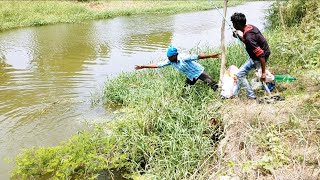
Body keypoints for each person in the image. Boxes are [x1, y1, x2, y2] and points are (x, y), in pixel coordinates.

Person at [135, 44, 220, 91]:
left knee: (213, 84)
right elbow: (158, 65)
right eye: (168, 57)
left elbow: (198, 56)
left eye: (170, 57)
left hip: (199, 72)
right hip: (191, 76)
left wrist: (212, 55)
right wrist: (143, 66)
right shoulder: (170, 61)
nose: (168, 59)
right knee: (185, 90)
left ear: (175, 55)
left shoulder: (183, 57)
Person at [231, 12, 271, 99]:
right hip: (259, 55)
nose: (233, 25)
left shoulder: (249, 36)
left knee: (239, 75)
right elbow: (248, 42)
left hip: (258, 58)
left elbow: (261, 54)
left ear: (237, 24)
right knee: (240, 74)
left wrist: (263, 73)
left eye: (233, 23)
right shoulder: (249, 27)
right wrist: (238, 36)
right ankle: (235, 95)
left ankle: (251, 96)